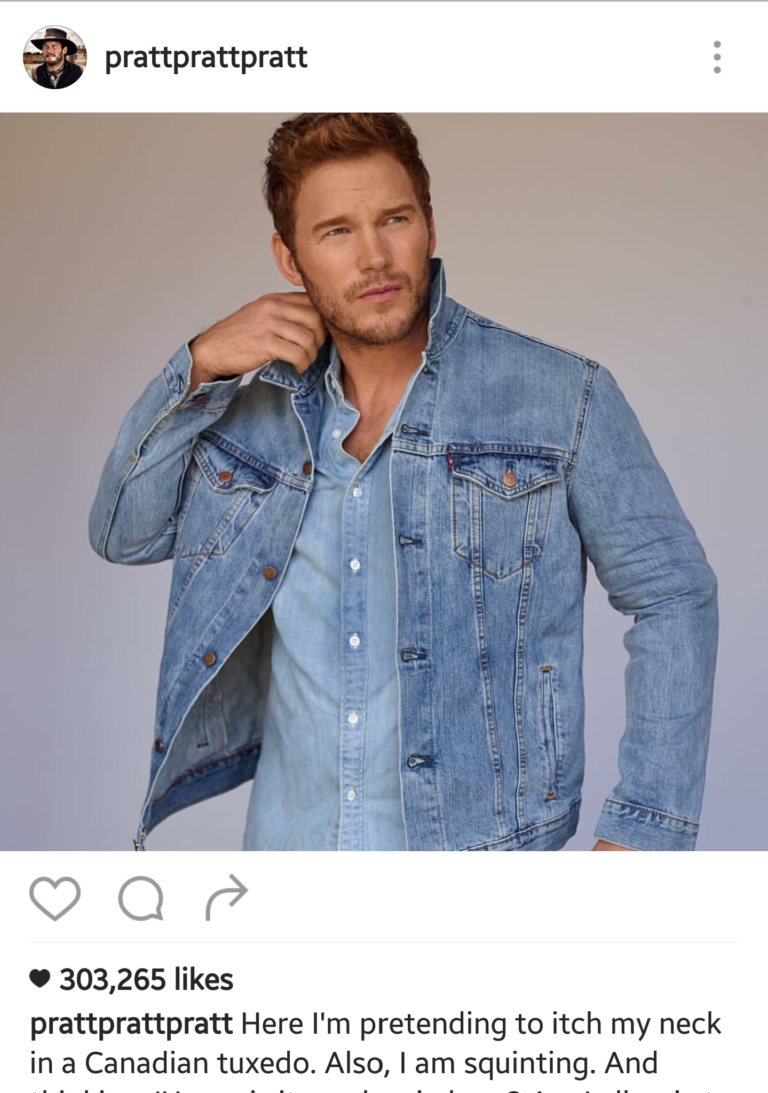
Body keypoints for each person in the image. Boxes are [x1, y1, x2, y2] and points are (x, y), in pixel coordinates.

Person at [89, 113, 718, 853]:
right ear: (289, 258)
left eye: (395, 219)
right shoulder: (250, 414)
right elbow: (123, 533)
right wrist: (195, 365)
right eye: (337, 232)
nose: (376, 258)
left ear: (429, 225)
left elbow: (674, 595)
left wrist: (643, 835)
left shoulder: (560, 398)